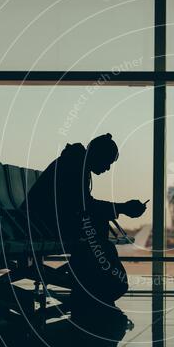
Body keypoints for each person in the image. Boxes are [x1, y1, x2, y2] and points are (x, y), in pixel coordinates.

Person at [23, 134, 146, 318]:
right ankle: (94, 279)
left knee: (95, 229)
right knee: (96, 232)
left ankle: (91, 276)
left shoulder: (75, 163)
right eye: (107, 162)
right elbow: (84, 206)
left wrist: (118, 208)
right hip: (41, 225)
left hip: (44, 221)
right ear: (98, 155)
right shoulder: (74, 167)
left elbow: (81, 205)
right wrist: (121, 207)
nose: (107, 168)